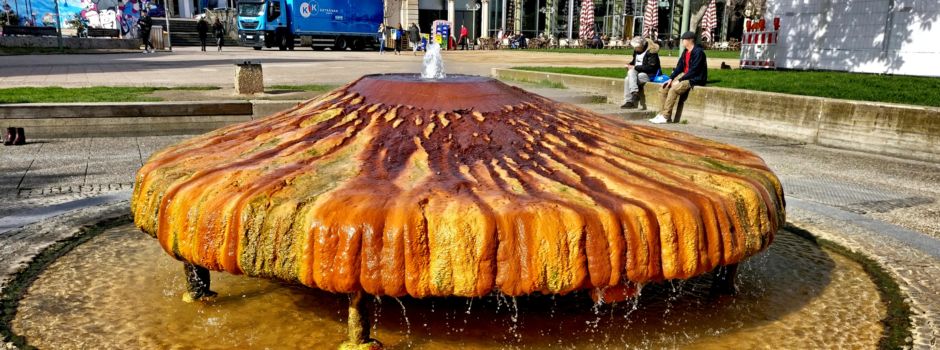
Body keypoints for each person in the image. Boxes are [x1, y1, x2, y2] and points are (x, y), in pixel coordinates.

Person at [651, 31, 707, 124]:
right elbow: (679, 67)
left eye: (683, 40)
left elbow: (694, 70)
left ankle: (666, 116)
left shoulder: (698, 52)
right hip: (685, 75)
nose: (682, 42)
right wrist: (671, 78)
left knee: (674, 89)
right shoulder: (685, 52)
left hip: (695, 78)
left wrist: (680, 80)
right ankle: (661, 114)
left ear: (690, 40)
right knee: (663, 88)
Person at [621, 36, 661, 109]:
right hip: (637, 73)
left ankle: (633, 95)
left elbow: (651, 68)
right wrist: (629, 64)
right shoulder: (636, 51)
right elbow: (634, 62)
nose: (635, 49)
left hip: (649, 74)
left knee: (629, 77)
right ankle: (630, 100)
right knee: (628, 78)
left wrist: (635, 67)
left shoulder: (652, 52)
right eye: (635, 47)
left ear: (642, 45)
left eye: (637, 47)